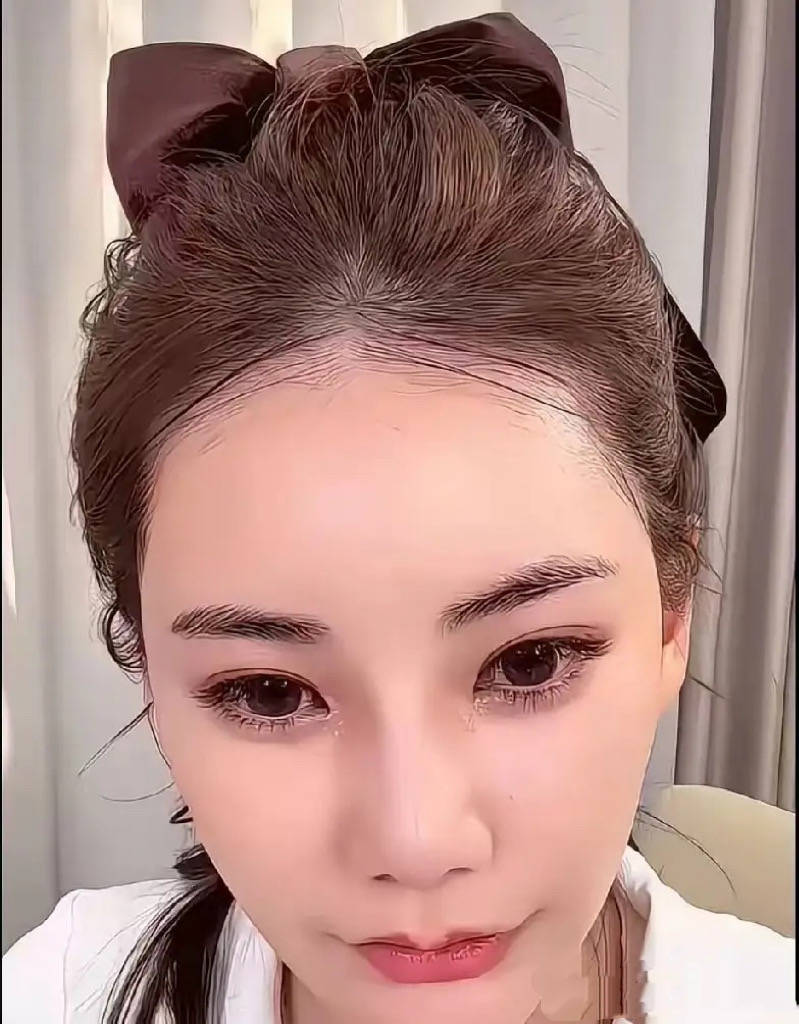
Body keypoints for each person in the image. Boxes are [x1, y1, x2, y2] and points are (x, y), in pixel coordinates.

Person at [2, 13, 795, 1024]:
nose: (415, 843)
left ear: (671, 619)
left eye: (531, 662)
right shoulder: (63, 988)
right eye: (268, 692)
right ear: (150, 671)